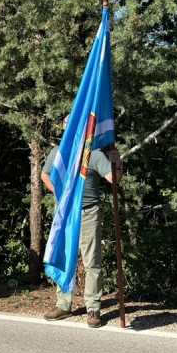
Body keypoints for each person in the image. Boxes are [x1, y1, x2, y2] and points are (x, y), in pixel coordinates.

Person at [41, 118, 120, 328]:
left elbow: (114, 179)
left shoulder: (94, 154)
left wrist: (117, 163)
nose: (72, 128)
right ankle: (63, 305)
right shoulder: (58, 152)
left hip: (88, 213)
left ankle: (93, 308)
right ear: (64, 128)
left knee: (91, 262)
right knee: (64, 258)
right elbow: (45, 175)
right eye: (68, 124)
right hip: (65, 214)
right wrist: (60, 194)